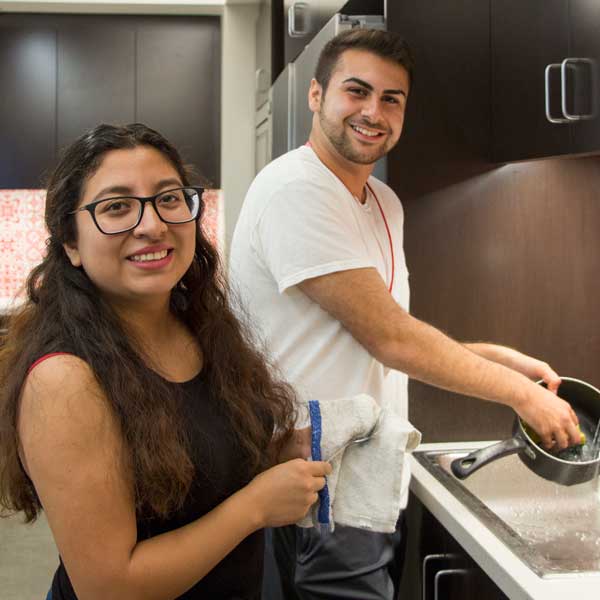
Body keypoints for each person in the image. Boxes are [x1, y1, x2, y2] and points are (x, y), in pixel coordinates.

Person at [229, 29, 581, 599]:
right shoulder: (296, 191)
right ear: (316, 95)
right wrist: (521, 396)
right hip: (315, 490)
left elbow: (380, 339)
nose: (374, 112)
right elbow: (393, 340)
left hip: (364, 481)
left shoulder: (381, 202)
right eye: (357, 91)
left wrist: (499, 362)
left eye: (391, 99)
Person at [0, 123, 331, 600]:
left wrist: (274, 454)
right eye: (116, 207)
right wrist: (255, 508)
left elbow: (194, 473)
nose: (152, 225)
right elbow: (109, 586)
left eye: (169, 198)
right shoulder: (65, 379)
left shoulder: (199, 328)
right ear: (70, 243)